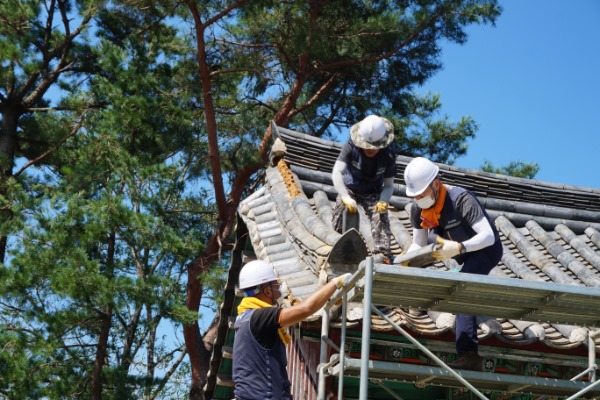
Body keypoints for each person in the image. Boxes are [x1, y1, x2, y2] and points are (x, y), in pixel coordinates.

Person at [403, 156, 503, 371]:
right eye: (415, 195)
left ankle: (469, 354)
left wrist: (459, 248)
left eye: (422, 193)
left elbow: (488, 236)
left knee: (462, 284)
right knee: (417, 257)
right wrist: (405, 264)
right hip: (453, 247)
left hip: (484, 250)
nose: (419, 198)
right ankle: (412, 299)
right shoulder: (418, 209)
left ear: (436, 184)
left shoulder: (461, 199)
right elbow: (418, 244)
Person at [232, 259, 350, 400]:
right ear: (267, 290)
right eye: (276, 285)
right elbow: (305, 309)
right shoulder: (260, 316)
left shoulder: (245, 318)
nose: (279, 289)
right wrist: (335, 284)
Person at [331, 114, 396, 263]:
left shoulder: (389, 155)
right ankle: (337, 242)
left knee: (380, 213)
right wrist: (345, 196)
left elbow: (389, 185)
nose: (370, 150)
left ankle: (383, 253)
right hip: (350, 187)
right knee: (342, 206)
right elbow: (336, 173)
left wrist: (384, 200)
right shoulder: (350, 147)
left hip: (373, 191)